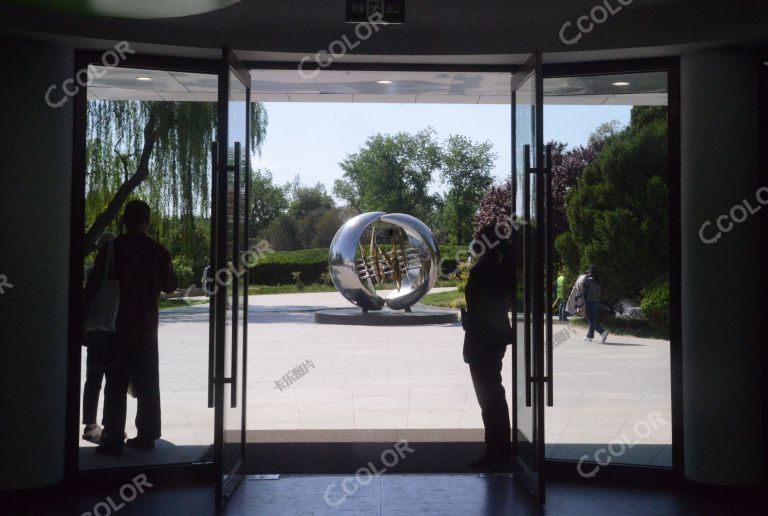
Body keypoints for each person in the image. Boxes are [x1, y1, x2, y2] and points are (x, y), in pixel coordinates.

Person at [95, 200, 177, 455]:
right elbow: (171, 286)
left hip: (116, 325)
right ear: (148, 221)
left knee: (115, 383)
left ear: (123, 219)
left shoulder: (113, 248)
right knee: (148, 384)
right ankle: (147, 433)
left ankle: (113, 436)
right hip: (146, 327)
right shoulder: (158, 251)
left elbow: (95, 285)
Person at [462, 223, 515, 470]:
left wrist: (469, 319)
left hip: (483, 342)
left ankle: (496, 451)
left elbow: (483, 309)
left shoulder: (485, 271)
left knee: (489, 397)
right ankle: (500, 448)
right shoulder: (502, 268)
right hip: (492, 340)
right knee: (494, 394)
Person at [81, 231, 117, 443]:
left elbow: (88, 297)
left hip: (95, 330)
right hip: (111, 331)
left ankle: (90, 424)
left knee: (93, 379)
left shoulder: (94, 272)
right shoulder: (118, 270)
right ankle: (109, 428)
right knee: (113, 381)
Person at [583, 265, 609, 343]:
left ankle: (602, 332)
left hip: (589, 302)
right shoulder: (598, 281)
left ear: (591, 273)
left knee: (589, 319)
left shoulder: (587, 281)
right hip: (596, 302)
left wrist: (585, 276)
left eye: (589, 272)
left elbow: (582, 286)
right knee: (593, 319)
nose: (588, 273)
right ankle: (589, 336)